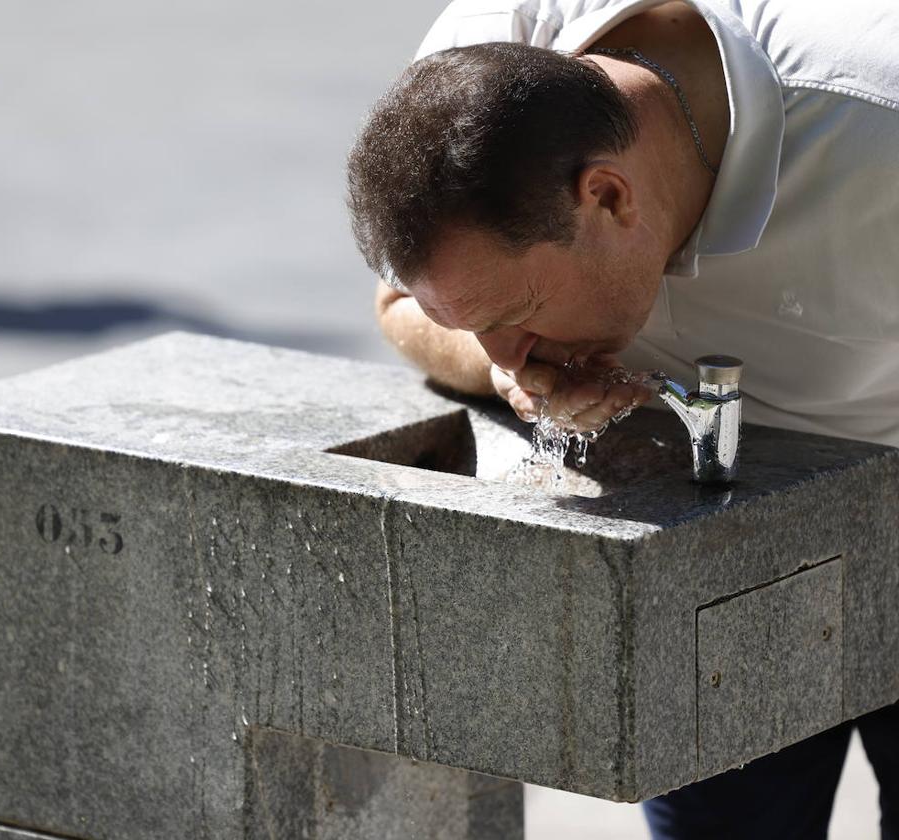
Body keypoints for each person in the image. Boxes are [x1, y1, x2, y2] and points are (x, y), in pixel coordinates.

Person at [345, 0, 899, 837]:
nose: (504, 351)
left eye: (519, 311)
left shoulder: (875, 122)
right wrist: (511, 378)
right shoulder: (474, 74)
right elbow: (400, 305)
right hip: (714, 560)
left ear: (608, 196)